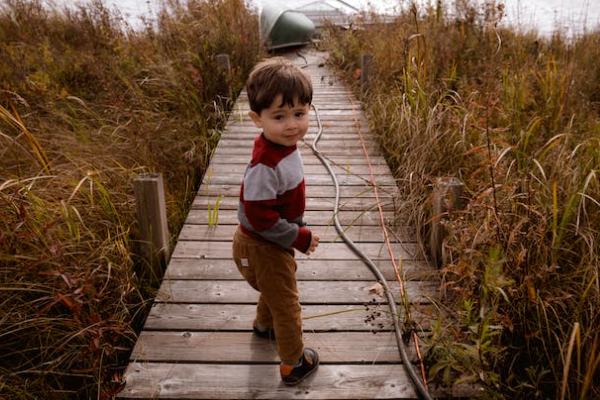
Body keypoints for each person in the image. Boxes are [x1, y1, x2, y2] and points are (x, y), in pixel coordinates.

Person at [232, 56, 320, 386]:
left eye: (299, 114)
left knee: (274, 289)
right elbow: (258, 217)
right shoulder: (264, 165)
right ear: (257, 119)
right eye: (279, 117)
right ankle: (293, 364)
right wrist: (298, 236)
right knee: (287, 304)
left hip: (266, 242)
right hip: (261, 246)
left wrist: (296, 223)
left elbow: (279, 203)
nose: (292, 125)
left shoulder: (284, 145)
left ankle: (263, 326)